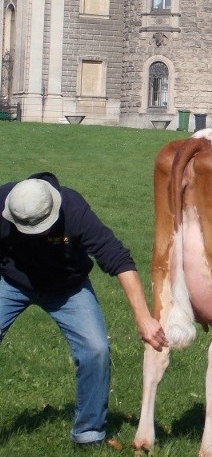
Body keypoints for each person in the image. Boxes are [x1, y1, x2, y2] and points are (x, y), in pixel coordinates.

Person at [0, 172, 168, 447]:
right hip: (12, 283)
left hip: (68, 288)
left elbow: (118, 259)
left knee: (96, 350)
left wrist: (143, 317)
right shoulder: (2, 204)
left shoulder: (73, 210)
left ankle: (89, 433)